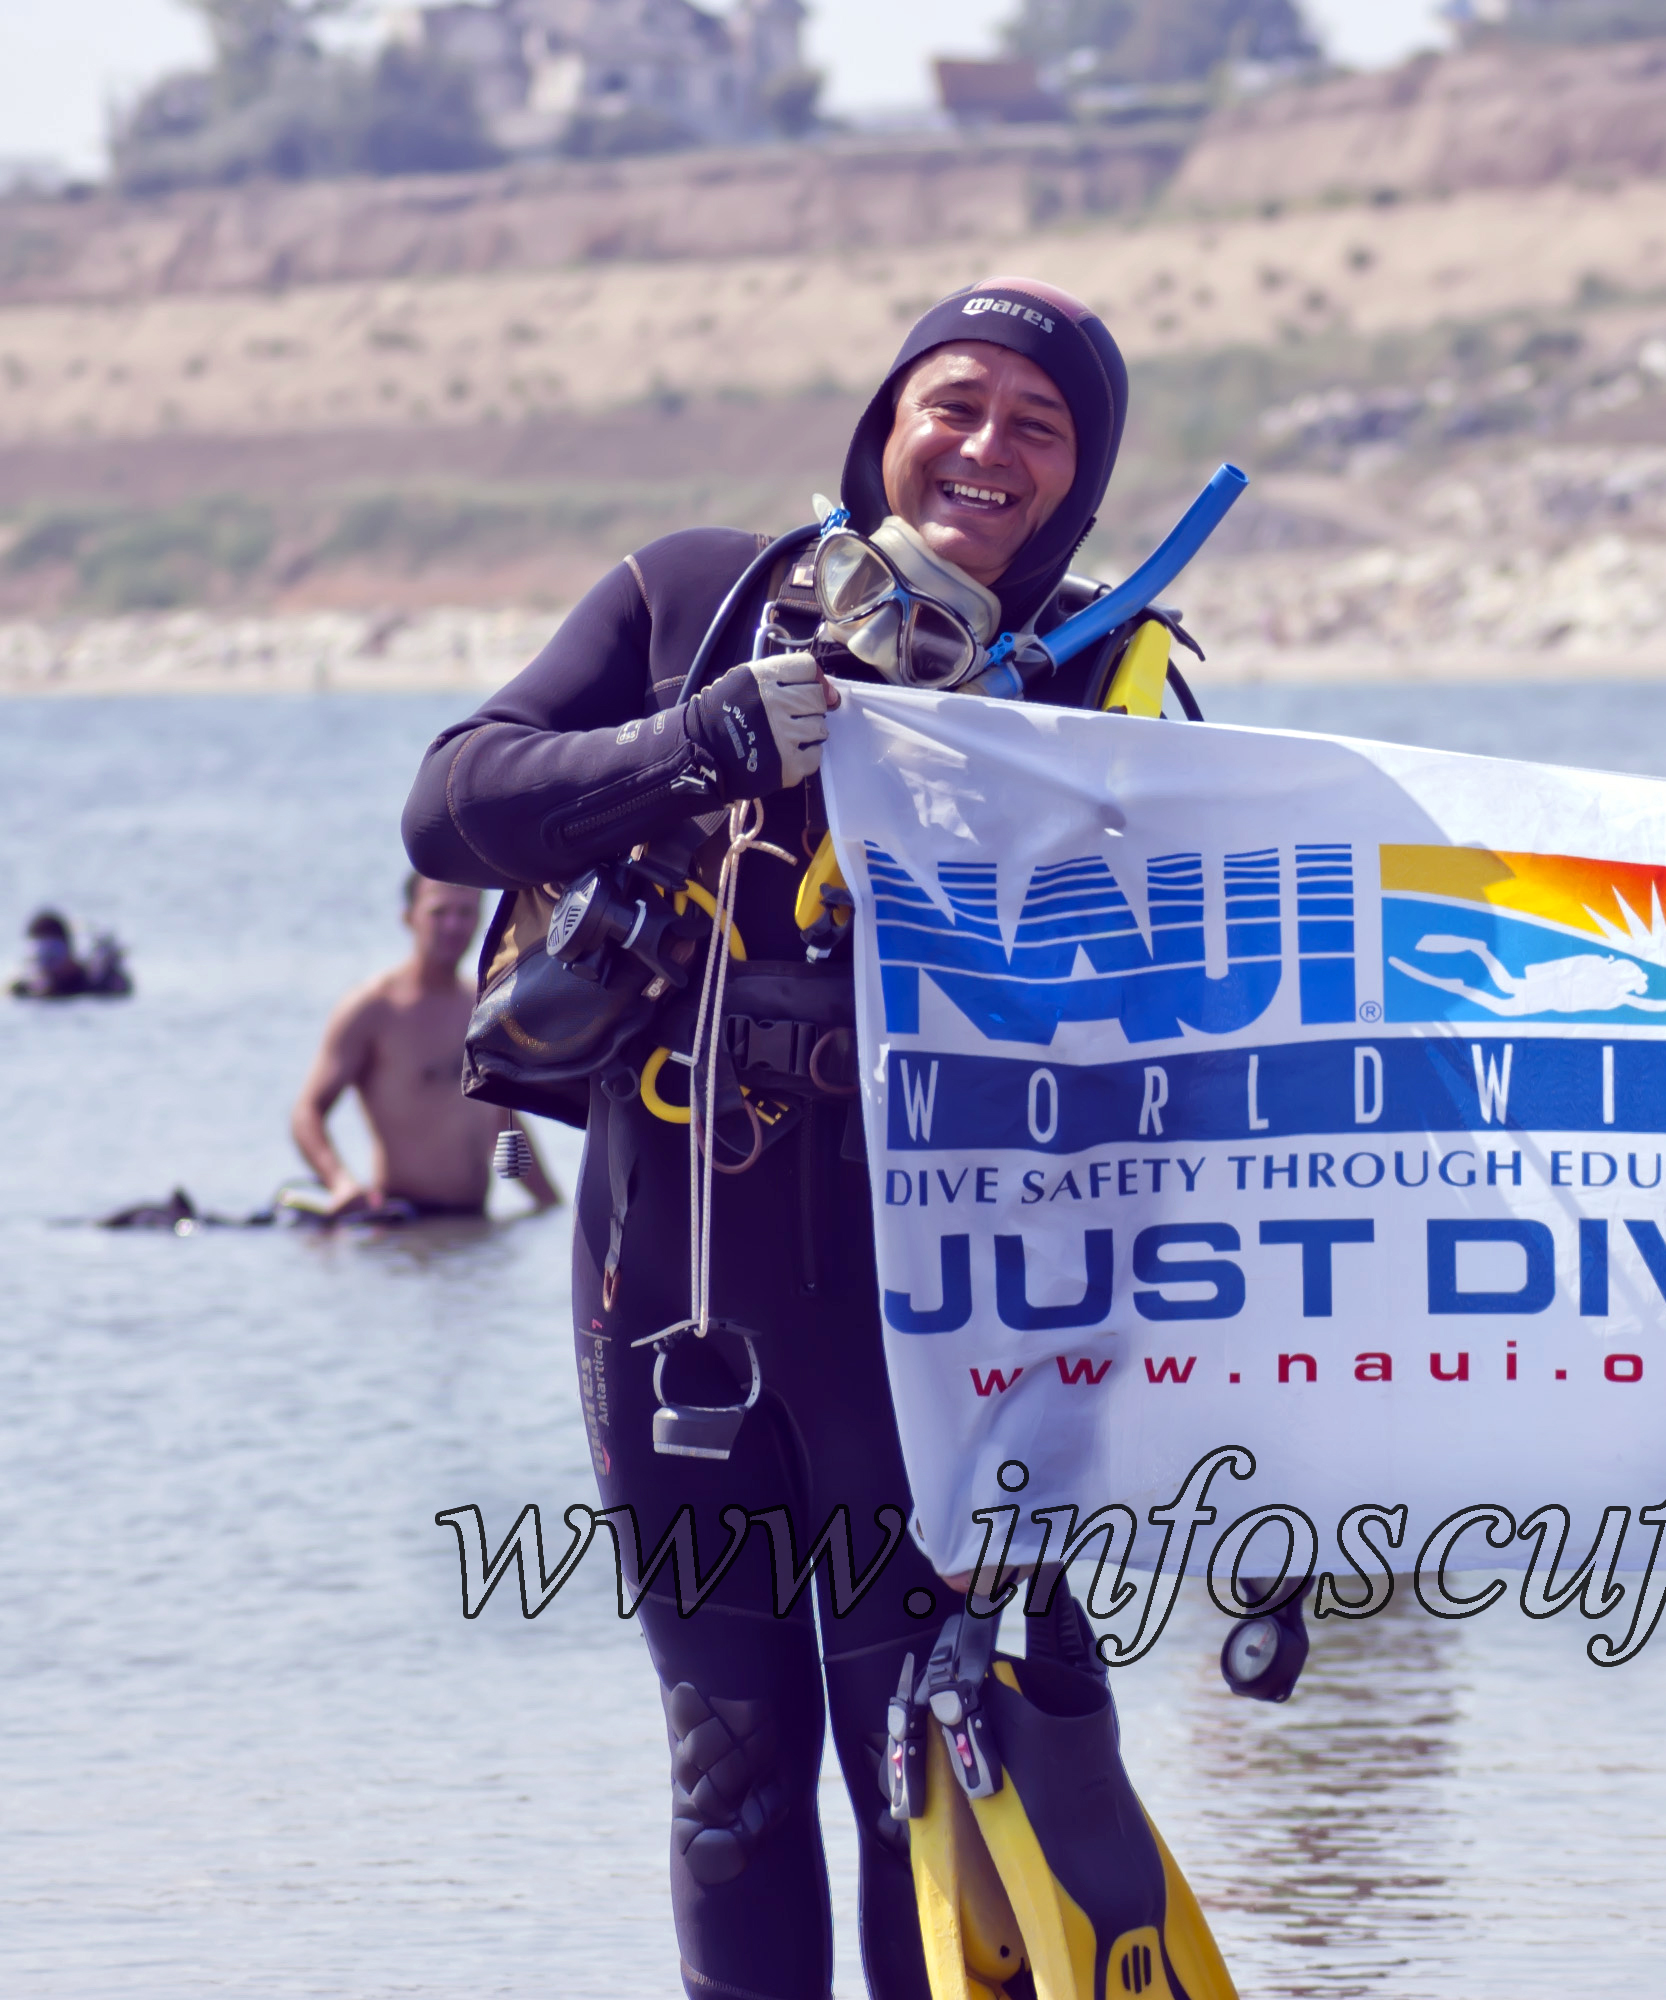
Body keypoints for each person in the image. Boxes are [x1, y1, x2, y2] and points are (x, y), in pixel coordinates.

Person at [400, 279, 1209, 2000]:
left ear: (1081, 480)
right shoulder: (698, 600)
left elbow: (1238, 1031)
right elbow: (453, 798)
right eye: (954, 404)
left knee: (927, 1770)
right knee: (724, 1768)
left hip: (951, 1320)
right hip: (678, 1267)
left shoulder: (1110, 683)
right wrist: (696, 741)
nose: (986, 448)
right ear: (884, 424)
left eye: (1036, 427)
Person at [289, 875, 561, 1222]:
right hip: (404, 1227)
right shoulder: (374, 1008)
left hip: (476, 1226)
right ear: (409, 917)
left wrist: (552, 1206)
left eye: (465, 913)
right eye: (438, 912)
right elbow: (307, 1113)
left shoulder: (487, 1006)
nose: (453, 925)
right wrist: (340, 1183)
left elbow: (500, 1120)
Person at [12, 908, 131, 998]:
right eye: (38, 958)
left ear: (69, 953)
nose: (46, 968)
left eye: (52, 956)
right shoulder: (23, 990)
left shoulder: (94, 983)